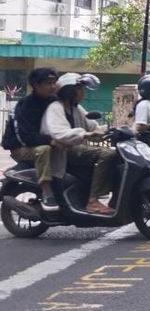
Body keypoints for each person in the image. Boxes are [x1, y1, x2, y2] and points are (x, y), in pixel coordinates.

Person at [41, 73, 116, 215]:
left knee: (113, 150)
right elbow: (59, 133)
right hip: (63, 151)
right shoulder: (56, 108)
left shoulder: (75, 108)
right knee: (107, 153)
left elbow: (92, 125)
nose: (83, 93)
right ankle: (93, 202)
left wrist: (114, 129)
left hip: (76, 147)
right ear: (70, 91)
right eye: (80, 89)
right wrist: (84, 134)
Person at [2, 67, 60, 208]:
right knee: (43, 150)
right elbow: (24, 137)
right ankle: (46, 190)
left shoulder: (55, 102)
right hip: (21, 147)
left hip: (49, 143)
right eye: (48, 83)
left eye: (54, 83)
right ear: (36, 85)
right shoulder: (25, 104)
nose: (53, 87)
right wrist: (50, 140)